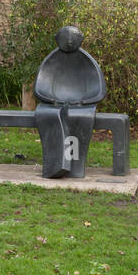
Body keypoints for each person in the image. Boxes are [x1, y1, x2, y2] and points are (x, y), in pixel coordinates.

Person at [33, 25, 105, 177]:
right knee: (51, 116)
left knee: (78, 118)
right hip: (55, 103)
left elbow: (98, 91)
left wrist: (82, 102)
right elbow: (39, 89)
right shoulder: (51, 60)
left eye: (73, 38)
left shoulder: (87, 61)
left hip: (81, 104)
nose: (70, 42)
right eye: (66, 38)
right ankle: (56, 165)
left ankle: (73, 166)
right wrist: (52, 100)